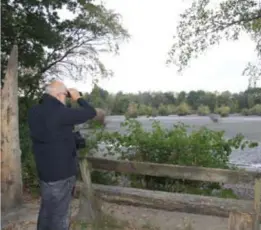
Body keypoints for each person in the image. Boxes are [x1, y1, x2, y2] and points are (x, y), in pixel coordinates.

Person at [28, 80, 104, 230]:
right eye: (65, 95)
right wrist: (77, 98)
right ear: (59, 95)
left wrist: (65, 97)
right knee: (60, 216)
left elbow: (55, 129)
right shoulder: (60, 113)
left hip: (45, 171)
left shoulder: (34, 111)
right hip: (62, 174)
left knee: (47, 210)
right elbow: (91, 112)